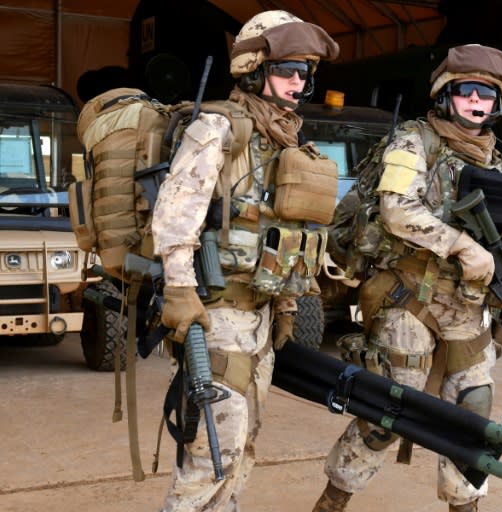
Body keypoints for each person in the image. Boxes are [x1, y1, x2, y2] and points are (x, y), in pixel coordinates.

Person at [312, 44, 502, 512]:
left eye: (487, 94)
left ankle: (464, 505)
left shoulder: (499, 160)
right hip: (408, 295)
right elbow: (397, 211)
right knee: (388, 412)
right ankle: (332, 501)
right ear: (447, 94)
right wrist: (462, 245)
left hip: (468, 305)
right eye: (467, 90)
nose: (476, 101)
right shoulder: (414, 140)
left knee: (473, 411)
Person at [151, 10, 339, 511]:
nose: (298, 82)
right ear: (254, 69)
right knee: (212, 450)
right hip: (216, 313)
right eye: (287, 70)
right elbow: (175, 218)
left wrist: (288, 305)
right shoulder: (219, 127)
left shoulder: (282, 137)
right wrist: (179, 289)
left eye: (305, 72)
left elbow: (290, 233)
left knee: (243, 446)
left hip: (258, 314)